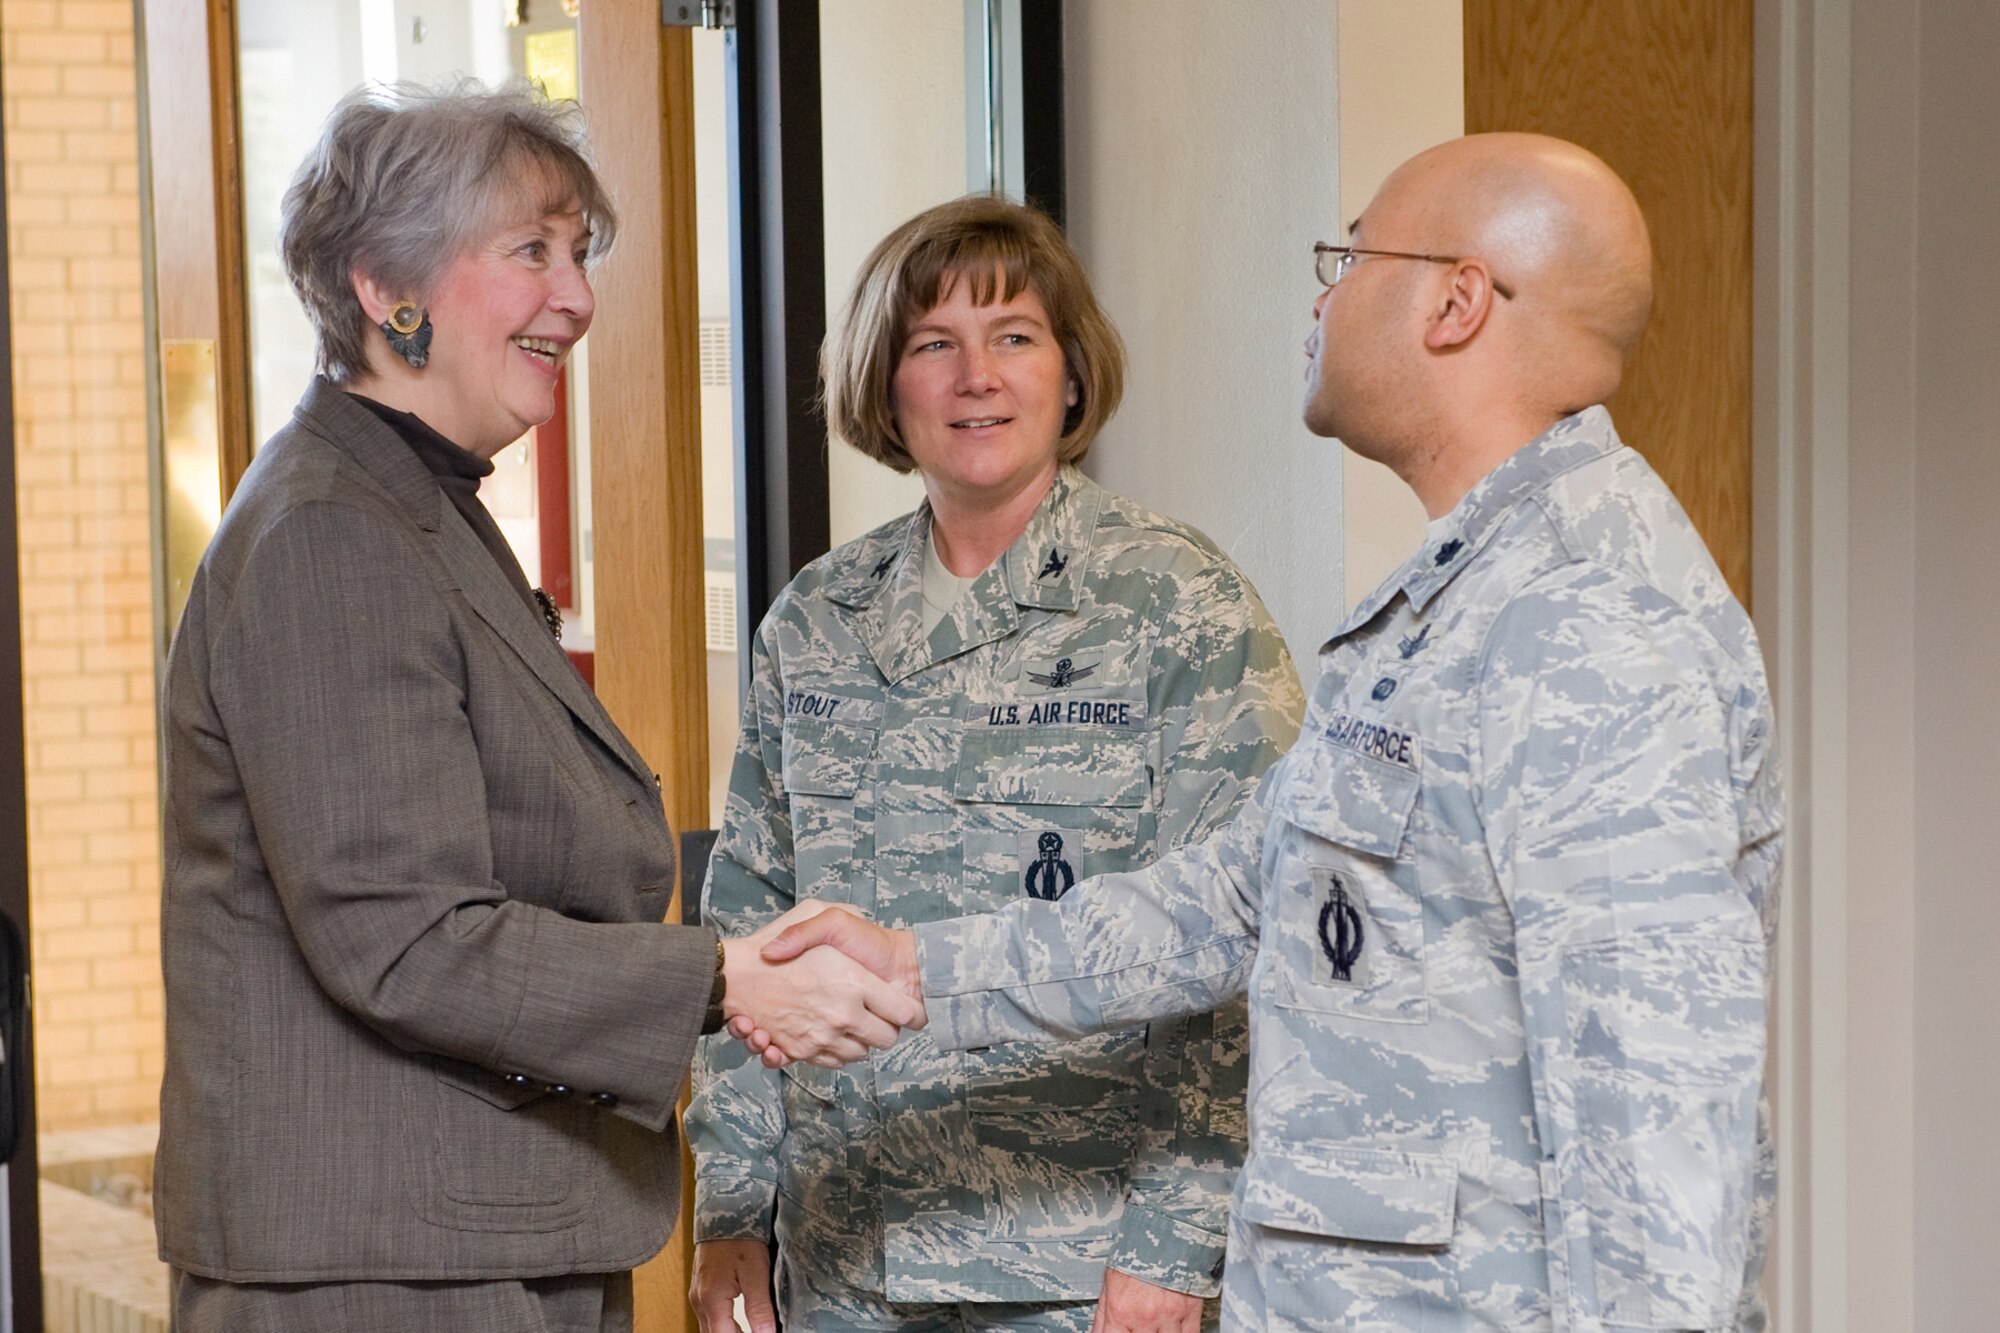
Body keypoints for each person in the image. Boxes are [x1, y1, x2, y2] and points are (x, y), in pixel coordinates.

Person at [748, 134, 1784, 1332]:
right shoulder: (1451, 605)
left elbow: (1651, 1130)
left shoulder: (1582, 624)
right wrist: (917, 967)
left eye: (1347, 254)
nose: (1319, 291)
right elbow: (1232, 903)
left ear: (1452, 301)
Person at [154, 81, 915, 1333]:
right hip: (384, 1271)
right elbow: (404, 939)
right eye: (530, 252)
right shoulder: (330, 537)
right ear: (383, 286)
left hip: (470, 1242)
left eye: (579, 253)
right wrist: (722, 981)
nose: (577, 295)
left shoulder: (416, 507)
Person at [684, 196, 1304, 1333]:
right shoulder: (814, 620)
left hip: (1071, 1270)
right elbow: (747, 933)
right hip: (837, 1262)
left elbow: (1250, 945)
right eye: (933, 344)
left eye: (1012, 335)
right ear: (887, 386)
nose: (976, 375)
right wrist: (733, 1210)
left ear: (1069, 374)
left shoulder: (1175, 605)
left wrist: (1176, 1245)